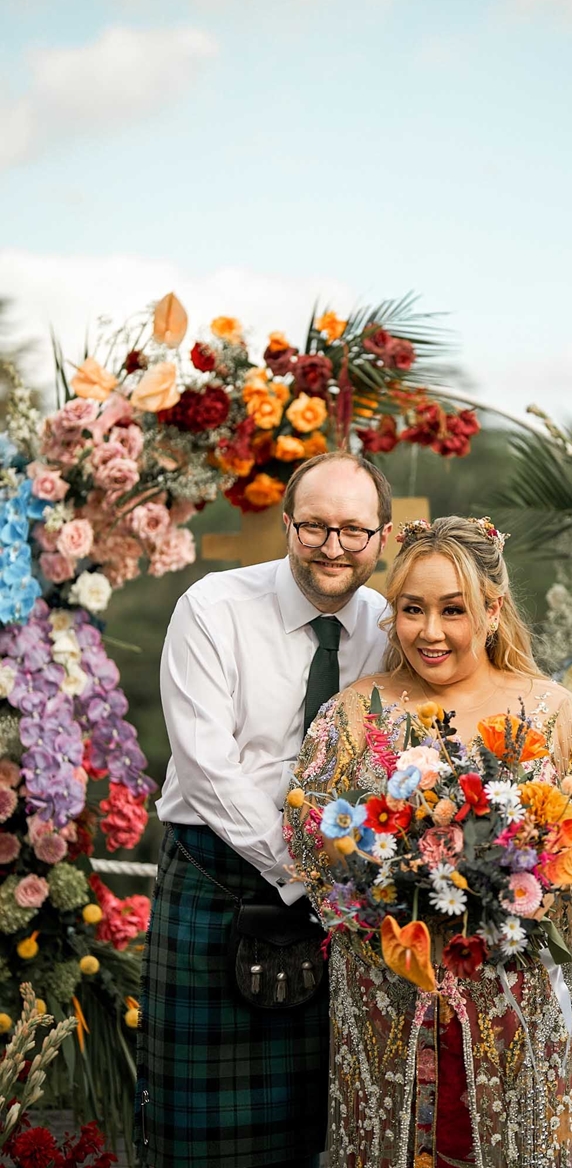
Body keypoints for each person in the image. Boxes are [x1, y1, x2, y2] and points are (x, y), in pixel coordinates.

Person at [286, 516, 572, 1168]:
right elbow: (308, 843)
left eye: (453, 610)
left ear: (493, 611)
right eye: (412, 609)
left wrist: (516, 891)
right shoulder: (354, 713)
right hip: (386, 1005)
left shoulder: (557, 716)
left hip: (516, 1010)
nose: (430, 632)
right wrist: (384, 878)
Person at [135, 452, 392, 1168]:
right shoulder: (212, 608)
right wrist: (308, 872)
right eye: (314, 526)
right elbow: (205, 765)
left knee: (324, 1129)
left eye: (353, 530)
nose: (333, 546)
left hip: (344, 898)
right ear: (286, 524)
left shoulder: (393, 627)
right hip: (216, 878)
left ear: (382, 536)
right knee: (201, 1144)